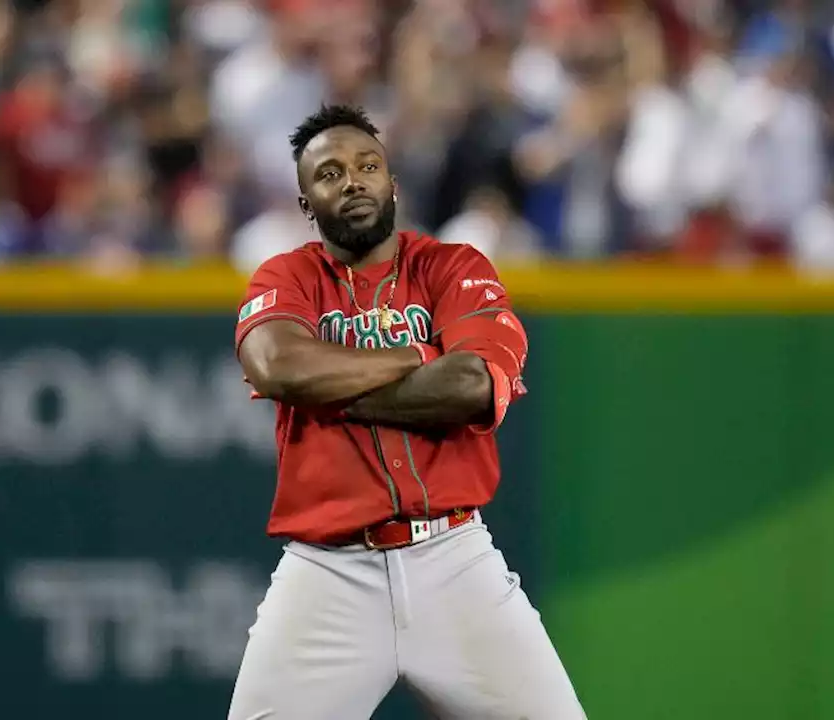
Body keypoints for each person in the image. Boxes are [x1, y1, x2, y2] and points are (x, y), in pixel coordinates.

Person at [229, 104, 585, 720]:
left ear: (393, 183)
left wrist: (333, 387)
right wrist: (420, 354)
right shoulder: (286, 276)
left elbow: (473, 382)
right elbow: (278, 367)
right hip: (327, 571)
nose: (354, 180)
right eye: (331, 173)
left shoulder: (455, 267)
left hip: (454, 558)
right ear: (307, 203)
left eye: (368, 165)